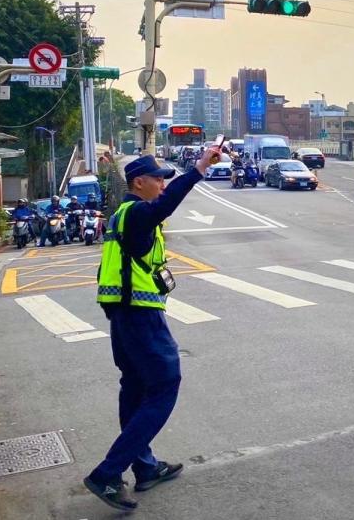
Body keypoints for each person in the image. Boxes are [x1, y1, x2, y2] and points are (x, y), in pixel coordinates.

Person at [84, 149, 219, 512]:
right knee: (163, 386)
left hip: (124, 315)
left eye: (164, 178)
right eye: (158, 178)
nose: (163, 184)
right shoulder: (139, 213)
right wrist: (200, 169)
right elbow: (166, 205)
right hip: (140, 315)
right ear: (138, 182)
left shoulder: (124, 215)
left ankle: (145, 467)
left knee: (135, 389)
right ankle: (108, 473)